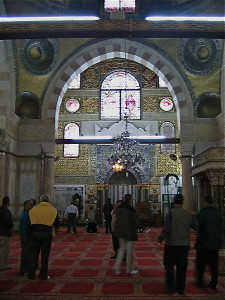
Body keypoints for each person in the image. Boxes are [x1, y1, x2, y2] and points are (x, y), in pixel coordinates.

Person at [158, 193, 198, 295]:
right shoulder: (188, 214)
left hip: (172, 245)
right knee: (182, 268)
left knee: (169, 266)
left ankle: (171, 288)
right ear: (182, 203)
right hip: (184, 245)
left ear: (173, 202)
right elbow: (197, 227)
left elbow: (166, 229)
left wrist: (160, 239)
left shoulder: (170, 213)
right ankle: (181, 289)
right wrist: (194, 216)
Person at [27, 194, 60, 280]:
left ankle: (31, 275)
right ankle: (43, 276)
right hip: (47, 234)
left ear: (40, 200)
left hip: (35, 234)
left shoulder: (33, 210)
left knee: (33, 255)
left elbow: (28, 225)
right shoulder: (53, 210)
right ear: (48, 201)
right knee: (45, 256)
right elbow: (57, 225)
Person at [195, 195, 224, 289]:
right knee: (214, 265)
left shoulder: (204, 212)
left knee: (200, 264)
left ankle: (200, 282)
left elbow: (197, 225)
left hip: (204, 244)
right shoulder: (218, 213)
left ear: (205, 202)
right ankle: (213, 283)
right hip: (215, 244)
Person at [113, 194, 139, 275]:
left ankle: (116, 267)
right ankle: (129, 269)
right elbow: (135, 220)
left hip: (120, 231)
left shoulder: (119, 208)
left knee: (122, 249)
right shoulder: (131, 209)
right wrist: (141, 227)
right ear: (130, 200)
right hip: (129, 232)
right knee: (129, 251)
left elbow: (115, 219)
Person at [19, 199, 34, 275]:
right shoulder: (25, 215)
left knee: (26, 253)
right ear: (26, 205)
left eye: (32, 204)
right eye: (30, 204)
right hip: (26, 236)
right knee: (26, 253)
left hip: (24, 235)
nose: (32, 206)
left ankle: (25, 269)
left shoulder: (25, 213)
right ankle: (24, 270)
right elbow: (27, 227)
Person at [0, 196, 13, 270]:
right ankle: (3, 266)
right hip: (4, 233)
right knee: (3, 250)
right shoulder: (6, 211)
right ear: (8, 202)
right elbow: (9, 223)